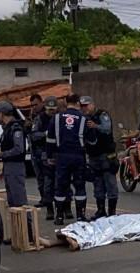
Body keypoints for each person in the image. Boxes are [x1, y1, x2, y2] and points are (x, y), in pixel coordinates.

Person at [46, 93, 95, 225]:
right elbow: (92, 140)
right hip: (78, 156)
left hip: (61, 156)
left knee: (61, 186)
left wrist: (50, 156)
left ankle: (59, 216)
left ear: (66, 102)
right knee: (79, 185)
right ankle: (80, 216)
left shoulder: (56, 118)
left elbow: (50, 140)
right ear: (78, 103)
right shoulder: (84, 119)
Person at [80, 96, 119, 219]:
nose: (84, 108)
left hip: (106, 155)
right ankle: (100, 210)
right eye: (82, 106)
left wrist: (95, 126)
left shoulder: (102, 115)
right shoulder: (84, 119)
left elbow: (107, 129)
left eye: (86, 105)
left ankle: (112, 212)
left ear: (92, 104)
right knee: (97, 184)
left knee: (110, 183)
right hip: (93, 156)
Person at [0, 101, 28, 210]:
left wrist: (2, 154)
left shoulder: (15, 128)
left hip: (16, 167)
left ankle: (27, 225)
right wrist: (3, 169)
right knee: (12, 202)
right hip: (9, 167)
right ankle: (17, 226)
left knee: (19, 201)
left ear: (2, 114)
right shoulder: (7, 128)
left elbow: (19, 149)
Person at [31, 96, 58, 220]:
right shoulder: (40, 119)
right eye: (49, 110)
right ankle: (48, 207)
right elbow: (34, 135)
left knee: (61, 183)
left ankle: (64, 208)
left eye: (53, 109)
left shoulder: (59, 118)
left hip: (58, 154)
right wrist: (45, 134)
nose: (52, 112)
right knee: (45, 182)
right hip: (42, 153)